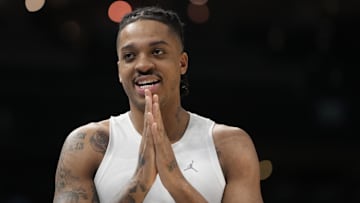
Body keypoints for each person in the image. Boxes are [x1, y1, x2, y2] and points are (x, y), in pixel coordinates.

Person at [53, 6, 263, 203]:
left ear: (182, 63)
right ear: (119, 71)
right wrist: (139, 183)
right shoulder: (87, 145)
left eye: (157, 52)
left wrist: (176, 183)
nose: (143, 65)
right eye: (129, 56)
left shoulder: (231, 145)